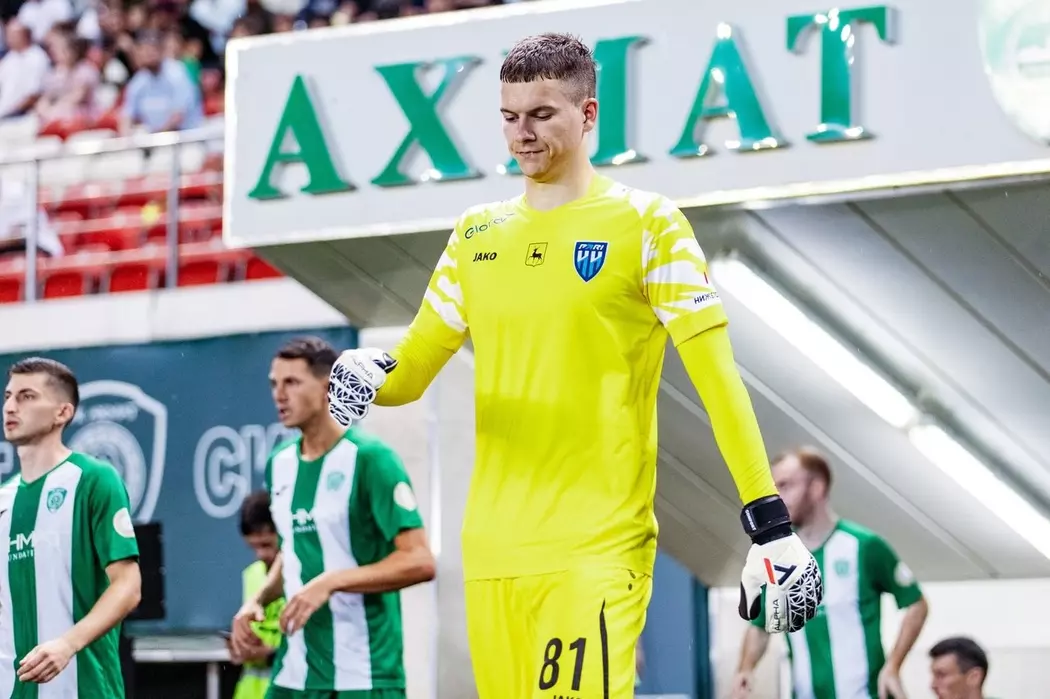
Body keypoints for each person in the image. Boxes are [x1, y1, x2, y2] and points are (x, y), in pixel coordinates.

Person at [327, 32, 823, 699]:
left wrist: (771, 524)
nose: (522, 134)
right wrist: (369, 372)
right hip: (493, 552)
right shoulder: (475, 234)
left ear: (588, 114)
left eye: (541, 115)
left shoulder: (651, 224)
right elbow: (413, 370)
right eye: (509, 117)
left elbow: (718, 382)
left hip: (597, 547)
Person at [229, 337, 436, 699]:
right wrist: (257, 600)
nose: (279, 395)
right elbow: (293, 550)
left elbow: (419, 561)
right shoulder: (279, 463)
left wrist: (332, 581)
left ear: (327, 387)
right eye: (274, 384)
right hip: (294, 674)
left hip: (363, 675)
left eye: (292, 383)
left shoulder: (371, 459)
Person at [731, 447, 929, 699]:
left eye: (786, 486)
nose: (777, 498)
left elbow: (916, 604)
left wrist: (893, 666)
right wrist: (746, 668)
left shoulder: (864, 546)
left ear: (817, 487)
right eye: (774, 488)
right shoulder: (776, 559)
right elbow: (759, 626)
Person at [0, 357, 142, 697]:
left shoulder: (94, 479)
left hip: (84, 688)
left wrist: (67, 644)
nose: (10, 407)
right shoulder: (3, 498)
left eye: (27, 396)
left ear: (63, 413)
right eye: (8, 396)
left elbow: (128, 587)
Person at [231, 489, 286, 699]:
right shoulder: (251, 574)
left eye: (266, 544)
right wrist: (241, 647)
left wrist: (270, 655)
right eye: (253, 547)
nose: (261, 554)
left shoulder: (303, 576)